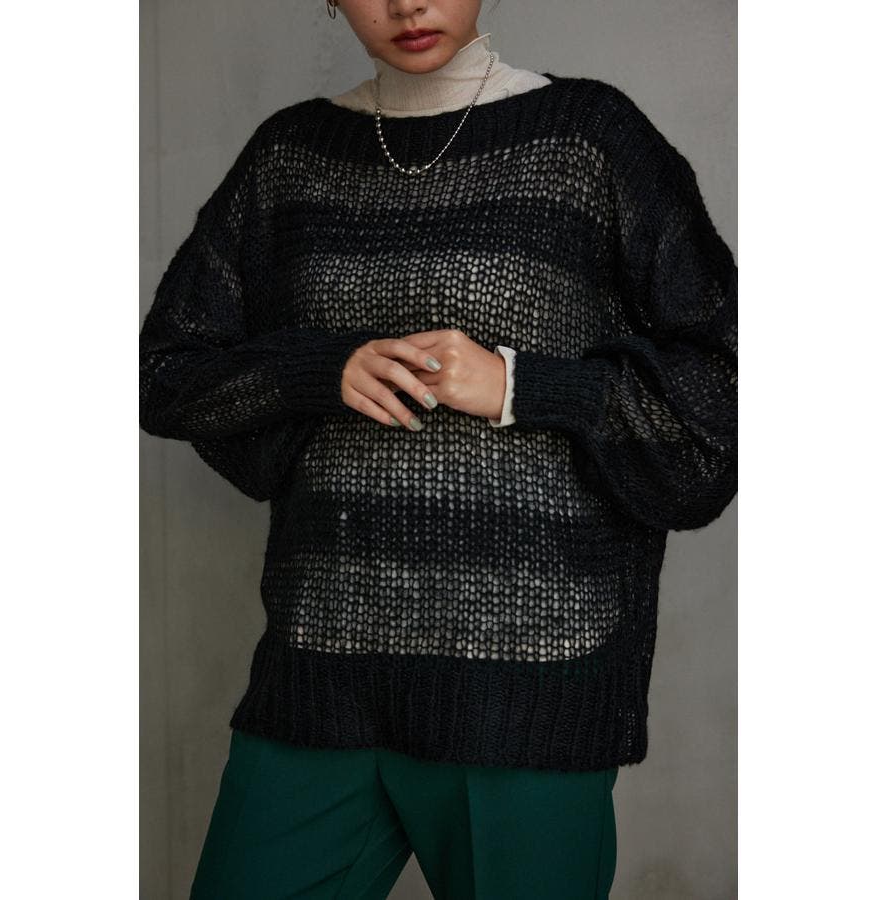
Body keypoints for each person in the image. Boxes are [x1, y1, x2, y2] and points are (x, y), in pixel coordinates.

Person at [138, 1, 737, 897]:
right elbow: (166, 371)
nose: (407, 3)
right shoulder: (289, 156)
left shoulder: (589, 137)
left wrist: (520, 386)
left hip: (528, 690)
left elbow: (722, 391)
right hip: (320, 676)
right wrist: (317, 370)